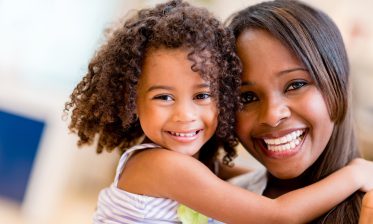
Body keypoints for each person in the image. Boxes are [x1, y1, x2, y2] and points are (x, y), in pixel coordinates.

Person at [64, 0, 373, 223]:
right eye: (163, 97)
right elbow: (281, 215)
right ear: (130, 99)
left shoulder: (193, 167)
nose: (185, 114)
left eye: (202, 94)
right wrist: (357, 172)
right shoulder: (162, 166)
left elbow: (236, 177)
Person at [228, 0, 371, 223]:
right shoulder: (221, 205)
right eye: (247, 97)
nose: (272, 115)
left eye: (295, 85)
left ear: (338, 83)